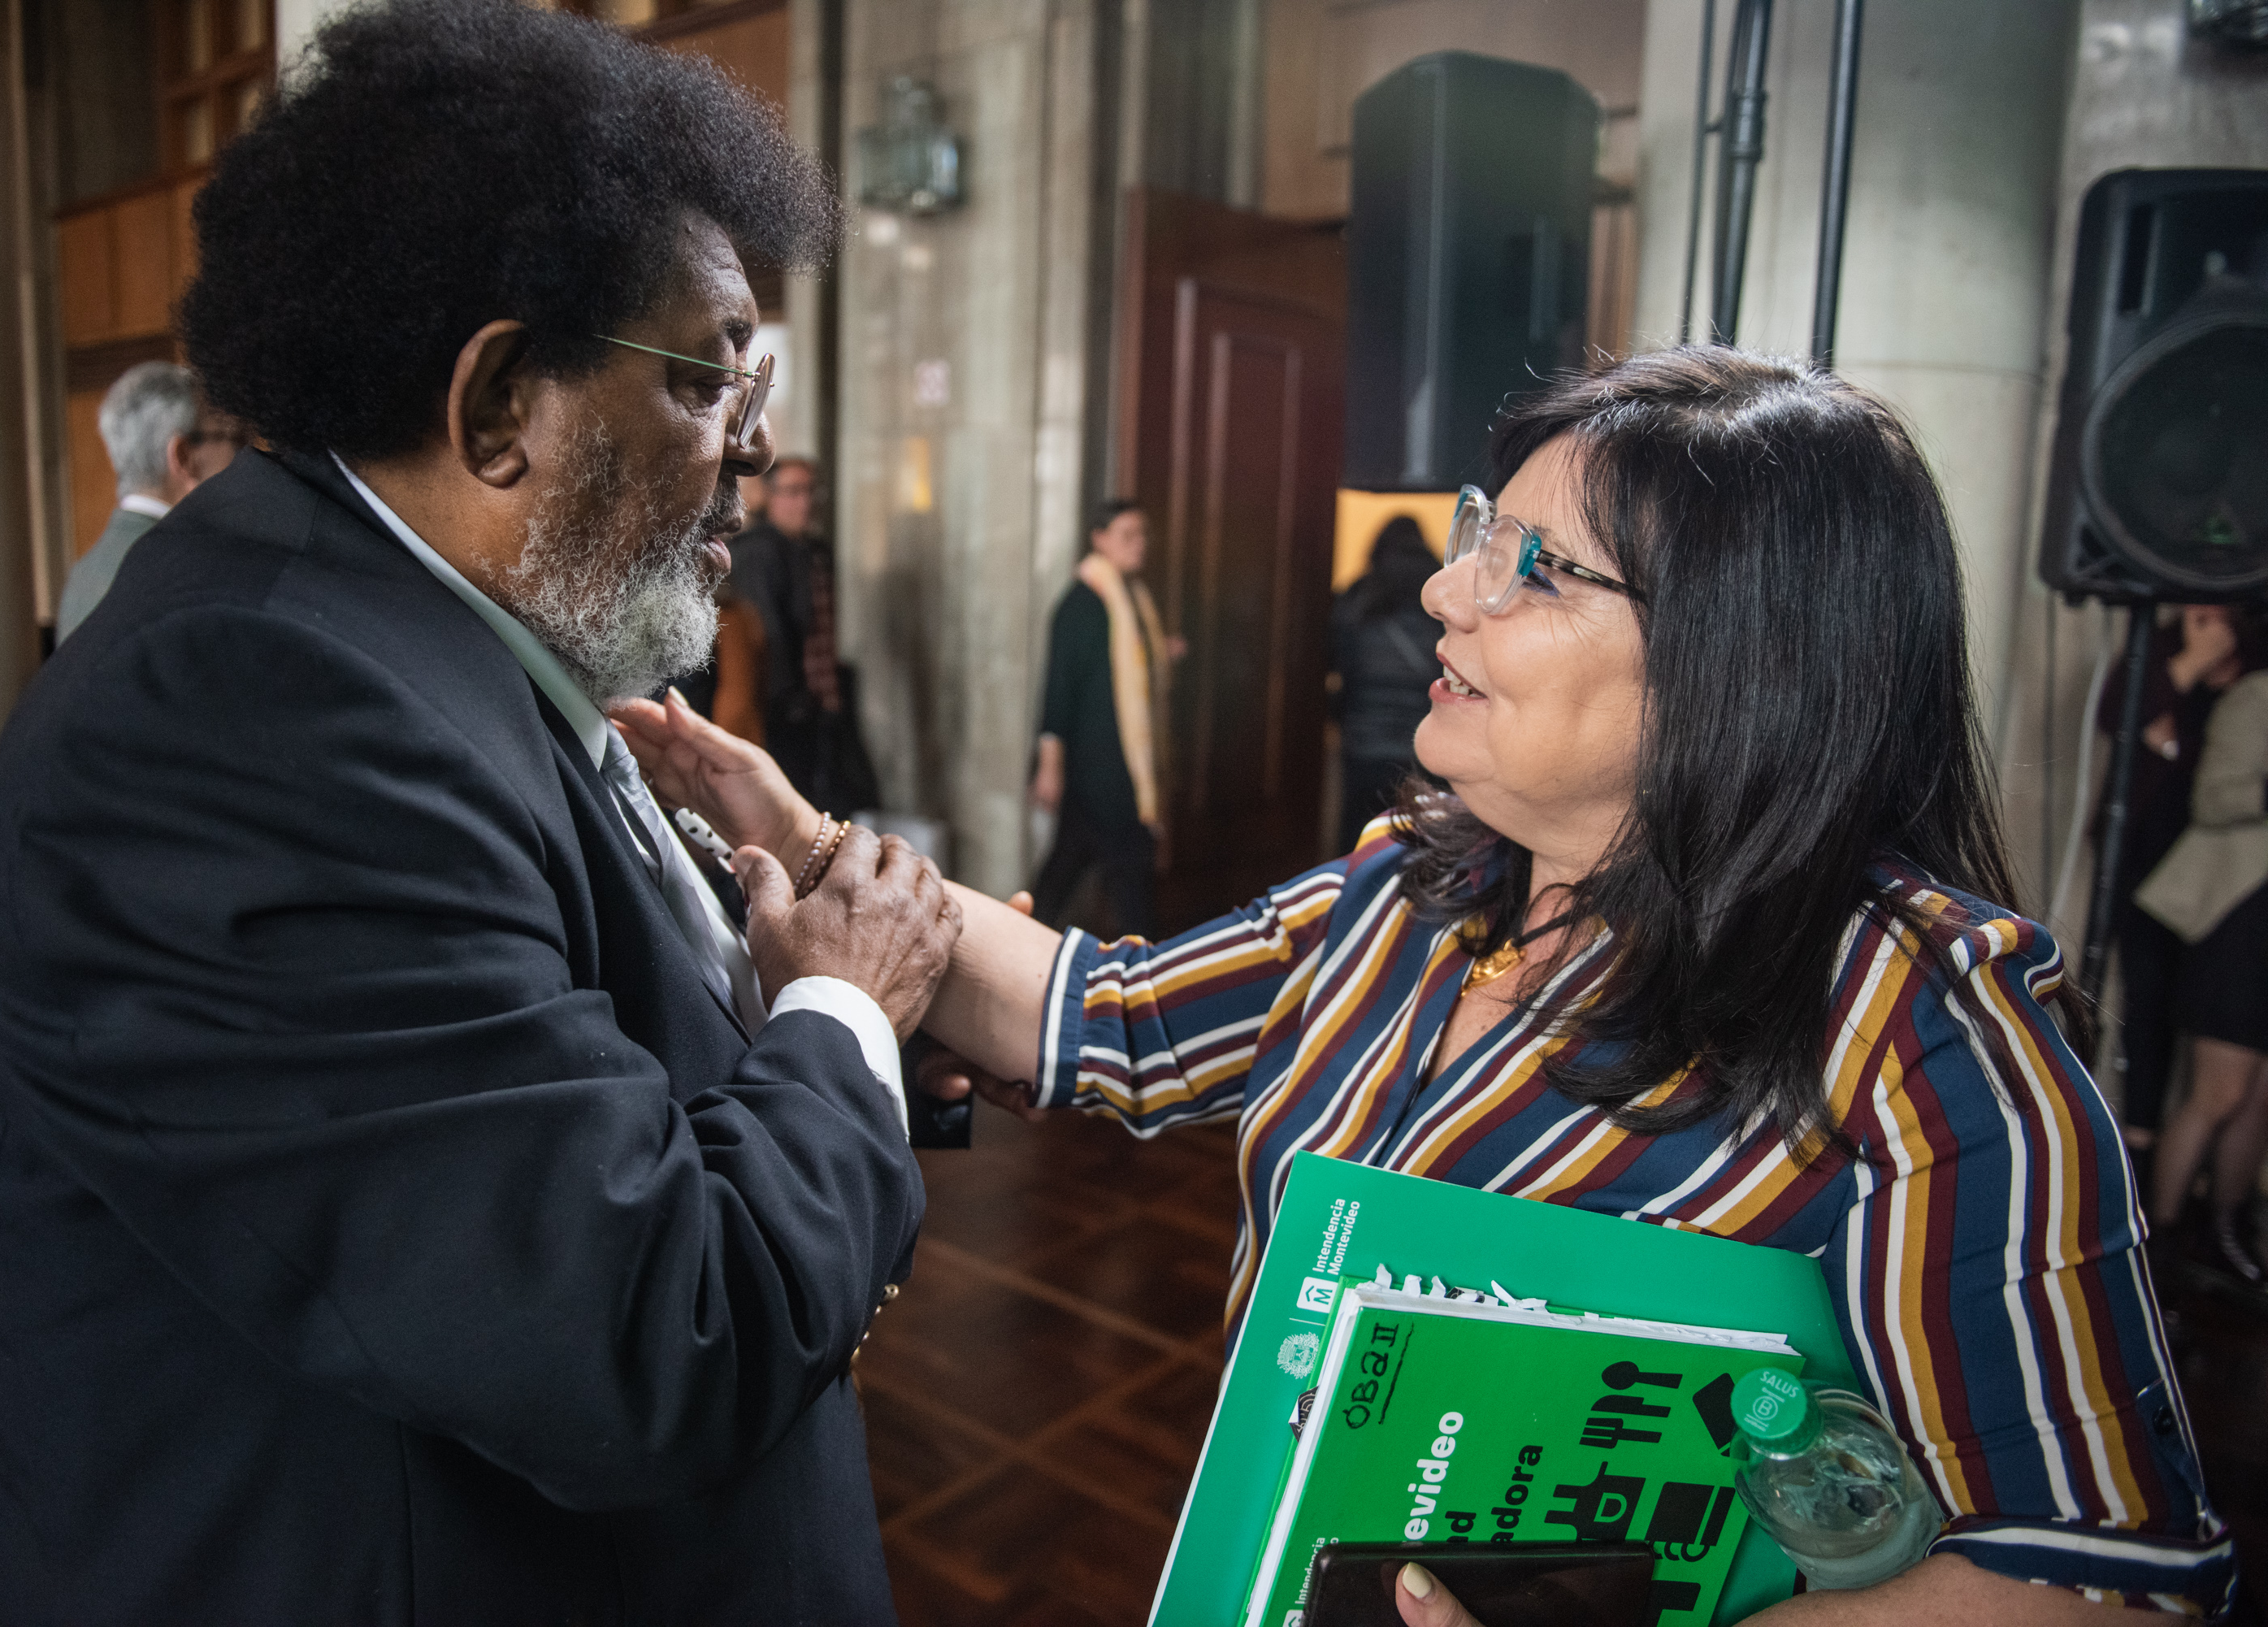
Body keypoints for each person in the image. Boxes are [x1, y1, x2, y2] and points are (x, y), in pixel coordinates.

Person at [623, 349, 2233, 1620]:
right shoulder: (1415, 882)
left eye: (1532, 565)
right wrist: (799, 831)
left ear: (1744, 653)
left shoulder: (1925, 1028)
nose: (1444, 593)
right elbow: (1094, 1010)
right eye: (1481, 533)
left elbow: (2092, 1577)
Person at [0, 6, 960, 1623]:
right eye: (708, 373)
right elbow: (653, 1332)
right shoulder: (253, 720)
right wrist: (843, 1003)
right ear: (496, 405)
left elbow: (576, 1054)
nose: (754, 445)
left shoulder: (430, 635)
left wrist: (793, 989)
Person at [2136, 651, 2268, 1286]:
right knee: (2220, 1092)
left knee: (2259, 1098)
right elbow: (2215, 797)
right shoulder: (2256, 696)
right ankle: (2157, 1246)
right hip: (2240, 920)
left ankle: (2223, 1233)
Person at [1028, 497, 1173, 937]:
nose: (1139, 545)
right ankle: (1142, 969)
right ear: (1099, 539)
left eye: (1143, 534)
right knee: (1122, 878)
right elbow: (1057, 692)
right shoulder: (1081, 604)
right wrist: (1049, 767)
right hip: (1097, 769)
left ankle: (1020, 932)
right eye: (1128, 535)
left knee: (1071, 871)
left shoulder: (1133, 601)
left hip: (1117, 768)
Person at [54, 360, 244, 641]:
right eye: (236, 438)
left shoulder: (83, 575)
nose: (246, 457)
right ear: (183, 457)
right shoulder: (198, 572)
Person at [725, 455, 854, 805]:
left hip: (818, 704)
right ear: (770, 496)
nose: (805, 502)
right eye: (793, 491)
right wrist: (789, 705)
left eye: (812, 491)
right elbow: (767, 637)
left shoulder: (813, 551)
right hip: (780, 710)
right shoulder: (757, 552)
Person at [1330, 514, 1443, 854]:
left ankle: (1355, 898)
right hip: (1421, 748)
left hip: (1365, 743)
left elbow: (1336, 661)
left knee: (1357, 836)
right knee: (1415, 841)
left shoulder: (1361, 596)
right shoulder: (1440, 599)